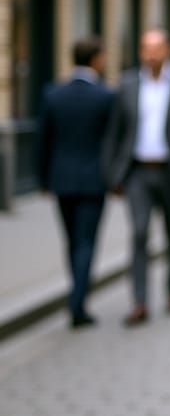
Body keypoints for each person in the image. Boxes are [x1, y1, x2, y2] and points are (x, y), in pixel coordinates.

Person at [105, 29, 170, 325]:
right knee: (139, 233)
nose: (151, 53)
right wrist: (113, 176)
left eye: (156, 48)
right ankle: (139, 301)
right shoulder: (126, 85)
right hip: (138, 171)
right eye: (145, 48)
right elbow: (115, 134)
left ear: (168, 50)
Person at [37, 38, 116, 328]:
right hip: (94, 181)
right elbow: (112, 141)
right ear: (96, 60)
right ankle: (78, 302)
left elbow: (42, 141)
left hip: (62, 180)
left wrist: (43, 180)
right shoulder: (105, 97)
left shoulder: (53, 94)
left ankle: (77, 295)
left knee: (71, 242)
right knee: (86, 242)